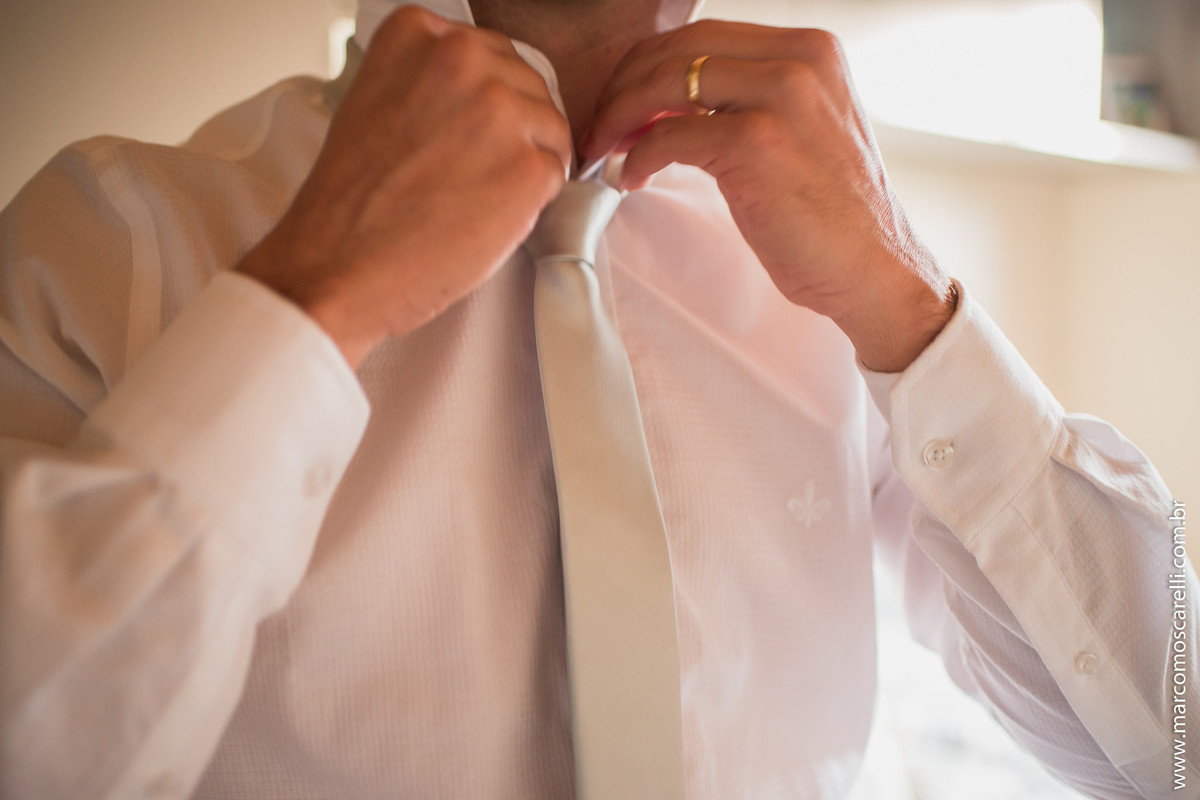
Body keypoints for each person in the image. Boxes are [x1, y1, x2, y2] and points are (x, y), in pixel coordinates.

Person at [0, 0, 1193, 797]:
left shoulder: (840, 257)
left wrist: (916, 314)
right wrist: (312, 297)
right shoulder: (105, 240)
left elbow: (1168, 743)